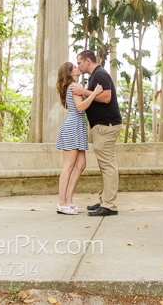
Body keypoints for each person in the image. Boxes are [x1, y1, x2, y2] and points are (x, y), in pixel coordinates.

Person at [71, 50, 123, 216]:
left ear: (88, 61)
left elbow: (106, 97)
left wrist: (84, 92)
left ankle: (109, 205)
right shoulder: (95, 76)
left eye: (79, 63)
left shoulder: (99, 74)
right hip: (101, 126)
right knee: (104, 165)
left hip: (105, 125)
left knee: (108, 165)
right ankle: (104, 200)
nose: (78, 66)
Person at [54, 62, 103, 215]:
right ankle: (61, 204)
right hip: (72, 128)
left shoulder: (76, 86)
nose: (77, 68)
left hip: (78, 128)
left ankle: (69, 200)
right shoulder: (73, 88)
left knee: (81, 165)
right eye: (74, 67)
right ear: (69, 73)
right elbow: (80, 107)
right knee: (68, 166)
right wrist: (94, 93)